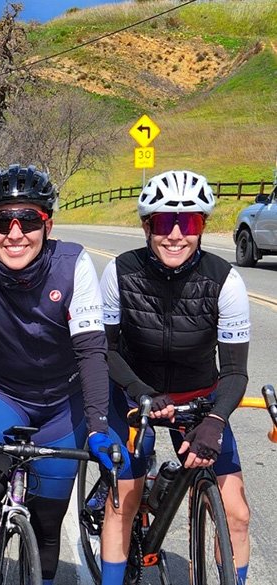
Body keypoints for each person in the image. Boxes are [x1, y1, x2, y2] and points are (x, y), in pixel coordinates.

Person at [0, 164, 117, 585]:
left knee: (49, 522)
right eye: (1, 221)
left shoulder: (73, 264)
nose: (15, 233)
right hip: (2, 393)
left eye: (28, 219)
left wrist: (99, 425)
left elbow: (91, 351)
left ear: (46, 223)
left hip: (62, 404)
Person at [98, 170, 251, 585]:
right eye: (165, 222)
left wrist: (215, 421)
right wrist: (141, 392)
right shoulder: (119, 273)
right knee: (123, 502)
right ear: (147, 225)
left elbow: (236, 371)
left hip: (200, 399)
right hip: (135, 394)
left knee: (236, 512)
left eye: (192, 223)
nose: (177, 235)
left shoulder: (226, 280)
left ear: (203, 227)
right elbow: (106, 350)